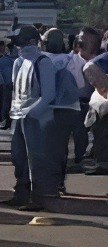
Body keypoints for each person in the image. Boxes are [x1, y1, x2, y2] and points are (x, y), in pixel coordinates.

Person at [8, 25, 58, 211]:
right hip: (19, 116)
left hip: (36, 118)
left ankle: (37, 197)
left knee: (35, 159)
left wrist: (32, 113)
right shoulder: (19, 62)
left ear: (30, 41)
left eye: (20, 41)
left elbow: (48, 94)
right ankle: (20, 193)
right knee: (18, 157)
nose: (16, 45)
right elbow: (15, 91)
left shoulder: (42, 62)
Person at [42, 28, 84, 191]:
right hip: (69, 109)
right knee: (63, 146)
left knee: (45, 145)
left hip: (46, 109)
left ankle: (46, 180)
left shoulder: (39, 59)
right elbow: (80, 85)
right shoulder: (74, 61)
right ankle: (60, 180)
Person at [69, 27, 101, 171]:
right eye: (82, 40)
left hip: (91, 104)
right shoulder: (70, 60)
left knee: (86, 134)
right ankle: (75, 159)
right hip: (73, 103)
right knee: (76, 133)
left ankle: (83, 158)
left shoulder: (99, 63)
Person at [0, 41, 17, 130]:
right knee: (7, 103)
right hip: (8, 84)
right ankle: (6, 119)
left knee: (2, 102)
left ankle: (2, 119)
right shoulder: (13, 61)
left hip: (1, 84)